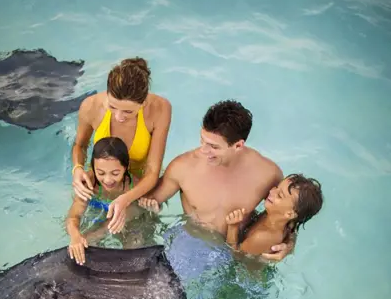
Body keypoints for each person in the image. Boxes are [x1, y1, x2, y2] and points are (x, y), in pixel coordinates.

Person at [138, 100, 292, 261]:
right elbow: (146, 202)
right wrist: (149, 209)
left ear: (238, 146)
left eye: (214, 146)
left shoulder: (268, 174)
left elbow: (288, 216)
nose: (204, 151)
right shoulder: (183, 167)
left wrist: (288, 246)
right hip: (192, 245)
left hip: (239, 249)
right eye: (202, 140)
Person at [71, 57, 171, 234]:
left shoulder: (160, 109)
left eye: (128, 111)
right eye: (113, 107)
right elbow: (80, 146)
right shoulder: (90, 106)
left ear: (144, 103)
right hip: (101, 183)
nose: (119, 116)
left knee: (136, 243)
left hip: (139, 189)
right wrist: (77, 168)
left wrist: (126, 199)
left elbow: (152, 172)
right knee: (87, 236)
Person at [67, 137, 138, 265]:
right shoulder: (89, 183)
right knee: (82, 244)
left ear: (126, 167)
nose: (107, 180)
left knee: (134, 244)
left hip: (124, 222)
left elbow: (143, 208)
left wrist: (151, 204)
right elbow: (73, 216)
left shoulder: (133, 186)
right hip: (97, 215)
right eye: (101, 173)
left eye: (115, 173)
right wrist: (75, 235)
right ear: (93, 167)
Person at [225, 174, 323, 255]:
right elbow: (292, 232)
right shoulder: (286, 222)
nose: (272, 191)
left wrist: (233, 227)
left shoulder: (262, 237)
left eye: (280, 195)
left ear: (289, 214)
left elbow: (235, 255)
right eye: (276, 187)